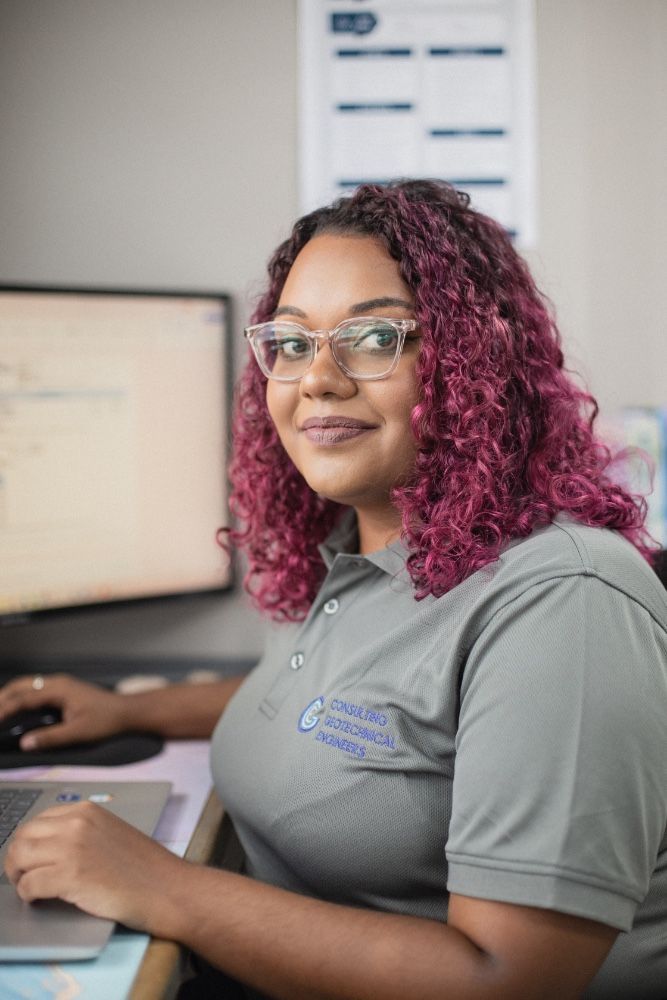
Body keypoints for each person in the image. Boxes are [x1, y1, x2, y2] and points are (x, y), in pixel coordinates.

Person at [1, 180, 667, 1000]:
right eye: (289, 342)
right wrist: (129, 711)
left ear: (470, 365)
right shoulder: (357, 547)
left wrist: (163, 887)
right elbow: (337, 709)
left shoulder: (563, 597)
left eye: (374, 335)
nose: (317, 377)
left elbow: (509, 981)